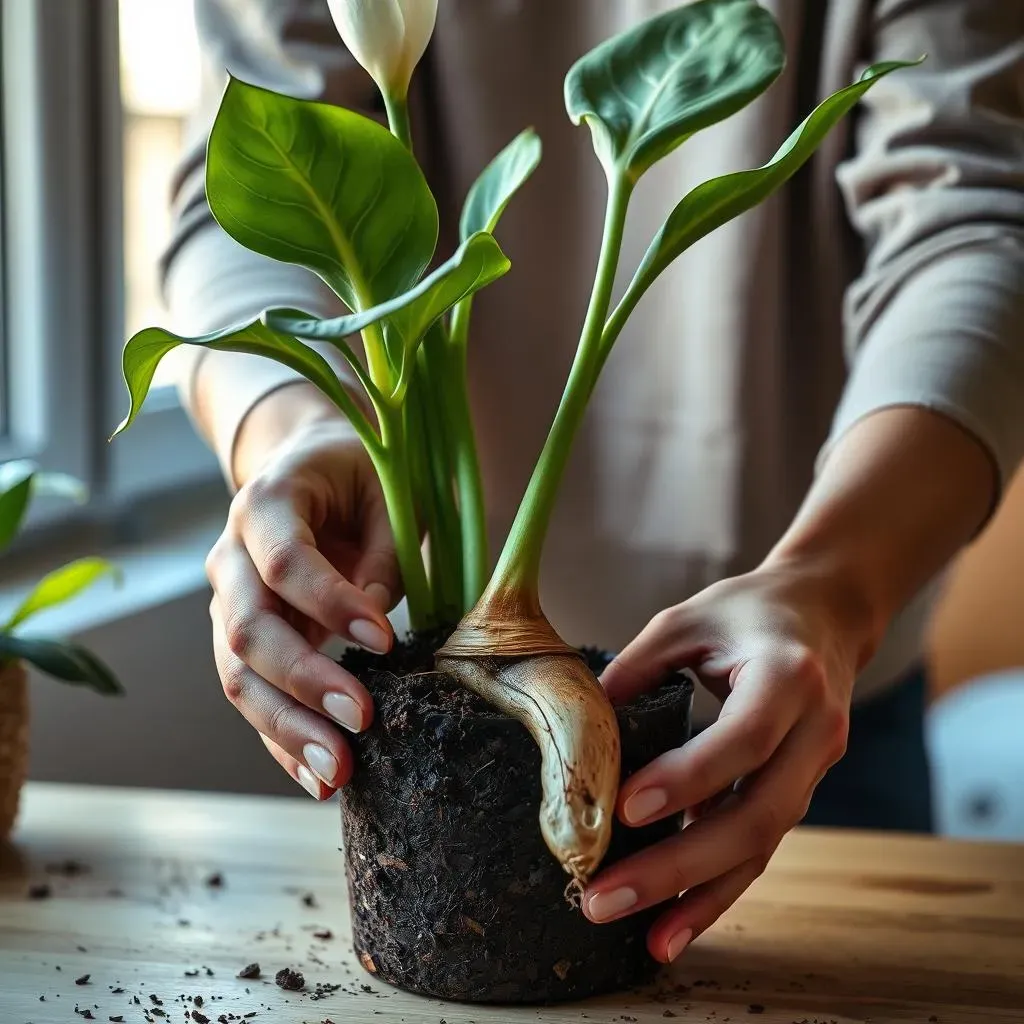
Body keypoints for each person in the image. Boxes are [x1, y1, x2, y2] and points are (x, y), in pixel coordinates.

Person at [162, 0, 1024, 962]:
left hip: (802, 692)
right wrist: (293, 435)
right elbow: (246, 174)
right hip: (434, 640)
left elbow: (978, 218)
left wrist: (835, 584)